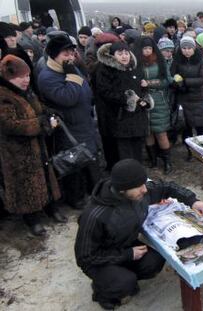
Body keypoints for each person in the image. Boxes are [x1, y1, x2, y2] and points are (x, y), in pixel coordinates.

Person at [74, 159, 203, 310]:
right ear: (122, 189)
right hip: (99, 259)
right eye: (139, 186)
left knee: (155, 261)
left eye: (144, 183)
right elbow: (84, 257)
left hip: (124, 245)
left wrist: (192, 200)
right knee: (125, 283)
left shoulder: (138, 192)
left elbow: (167, 186)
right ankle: (102, 292)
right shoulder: (95, 215)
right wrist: (127, 255)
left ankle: (120, 277)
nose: (144, 190)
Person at [0, 55, 65, 236]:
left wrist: (48, 112)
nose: (26, 80)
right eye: (21, 77)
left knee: (44, 177)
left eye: (28, 76)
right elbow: (10, 124)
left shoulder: (26, 91)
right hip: (17, 152)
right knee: (25, 185)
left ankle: (51, 208)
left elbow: (38, 108)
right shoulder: (3, 95)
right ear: (9, 77)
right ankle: (32, 219)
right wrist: (42, 124)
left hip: (37, 146)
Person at [38, 35, 100, 209]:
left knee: (88, 159)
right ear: (54, 55)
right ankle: (76, 198)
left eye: (72, 53)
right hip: (69, 128)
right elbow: (68, 98)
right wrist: (72, 75)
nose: (70, 57)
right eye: (65, 54)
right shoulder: (47, 76)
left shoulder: (69, 68)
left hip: (84, 123)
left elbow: (84, 89)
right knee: (73, 163)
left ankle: (91, 192)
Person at [95, 41, 153, 168]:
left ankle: (138, 175)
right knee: (125, 153)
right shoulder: (106, 70)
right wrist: (128, 99)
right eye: (120, 53)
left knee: (137, 150)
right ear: (112, 55)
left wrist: (144, 93)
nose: (124, 56)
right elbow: (105, 92)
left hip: (137, 117)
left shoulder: (134, 68)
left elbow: (141, 89)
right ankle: (128, 180)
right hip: (119, 119)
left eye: (126, 53)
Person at [134, 37, 172, 174]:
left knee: (161, 132)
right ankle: (153, 159)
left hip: (158, 99)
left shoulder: (160, 61)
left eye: (149, 48)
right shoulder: (136, 63)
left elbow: (167, 81)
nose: (147, 51)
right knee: (148, 132)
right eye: (144, 49)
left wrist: (149, 83)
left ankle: (167, 162)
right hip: (142, 99)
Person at [171, 36, 203, 160]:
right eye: (184, 48)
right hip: (183, 97)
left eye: (189, 48)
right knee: (186, 128)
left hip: (197, 97)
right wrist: (177, 83)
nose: (186, 51)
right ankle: (190, 151)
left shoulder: (201, 60)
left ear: (194, 48)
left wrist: (185, 81)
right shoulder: (177, 60)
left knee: (200, 126)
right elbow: (173, 74)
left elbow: (202, 79)